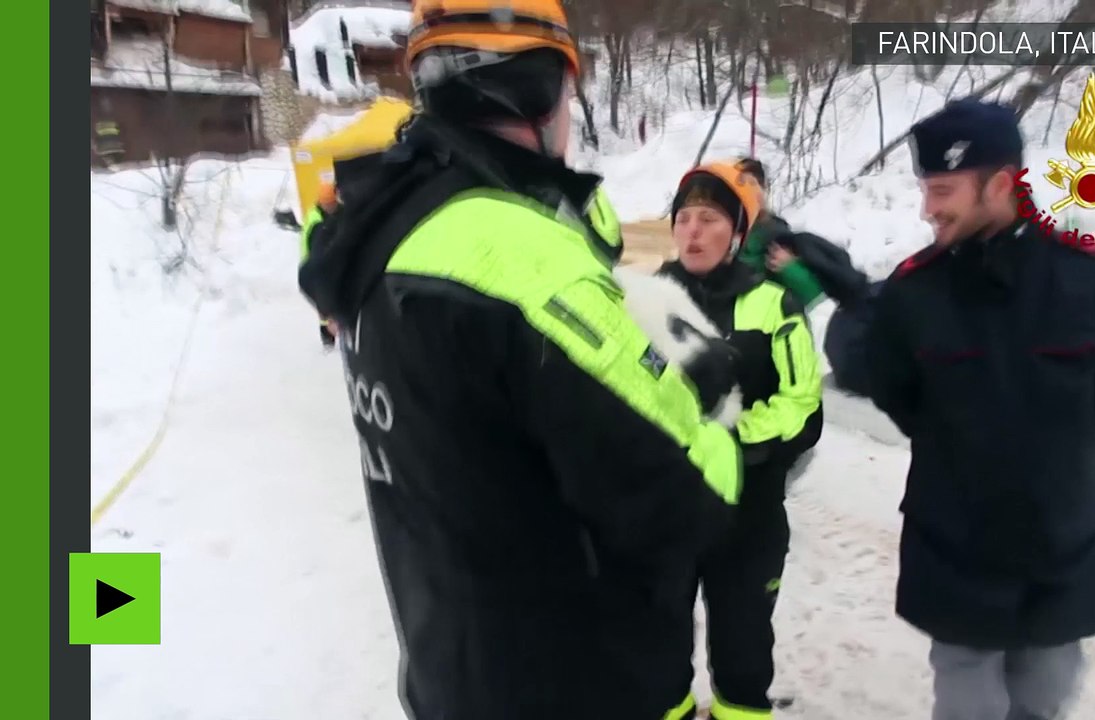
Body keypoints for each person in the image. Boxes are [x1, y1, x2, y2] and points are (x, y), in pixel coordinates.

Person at [295, 2, 745, 718]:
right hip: (572, 683)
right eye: (567, 93)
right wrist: (709, 414)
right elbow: (684, 501)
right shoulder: (522, 266)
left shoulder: (387, 228)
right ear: (536, 92)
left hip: (453, 669)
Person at [864, 98, 1095, 720]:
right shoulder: (913, 291)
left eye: (942, 189)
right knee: (967, 704)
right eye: (926, 189)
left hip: (1062, 545)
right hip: (955, 548)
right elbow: (894, 389)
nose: (928, 208)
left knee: (1043, 700)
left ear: (1000, 184)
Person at [660, 161, 825, 720]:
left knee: (743, 652)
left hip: (748, 513)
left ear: (735, 233)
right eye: (683, 219)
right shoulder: (646, 299)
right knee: (658, 655)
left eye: (708, 219)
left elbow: (803, 404)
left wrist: (727, 438)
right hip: (665, 510)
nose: (692, 231)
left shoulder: (773, 304)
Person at [733, 157, 869, 311]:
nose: (749, 192)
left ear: (764, 190)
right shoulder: (717, 242)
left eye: (754, 184)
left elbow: (819, 307)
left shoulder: (781, 241)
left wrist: (791, 270)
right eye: (740, 185)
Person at [299, 182, 340, 349]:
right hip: (314, 269)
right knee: (326, 310)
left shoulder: (325, 214)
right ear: (324, 203)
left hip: (318, 265)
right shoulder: (317, 223)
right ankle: (328, 346)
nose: (333, 207)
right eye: (330, 204)